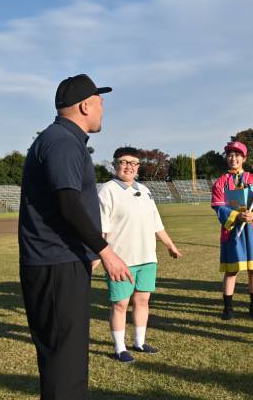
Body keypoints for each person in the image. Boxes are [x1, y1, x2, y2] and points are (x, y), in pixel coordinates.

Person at [19, 74, 132, 399]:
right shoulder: (62, 142)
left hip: (60, 262)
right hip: (56, 264)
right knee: (64, 362)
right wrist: (105, 250)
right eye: (100, 102)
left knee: (63, 357)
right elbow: (68, 204)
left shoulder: (61, 140)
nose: (102, 109)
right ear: (85, 105)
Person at [97, 147, 182, 363]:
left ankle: (139, 342)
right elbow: (101, 229)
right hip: (121, 260)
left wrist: (170, 245)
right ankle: (119, 348)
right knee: (121, 304)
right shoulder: (107, 191)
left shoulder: (144, 190)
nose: (129, 166)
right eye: (124, 162)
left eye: (133, 163)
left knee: (143, 300)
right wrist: (98, 257)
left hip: (147, 258)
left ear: (138, 167)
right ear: (115, 164)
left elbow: (156, 223)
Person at [211, 141, 253, 320]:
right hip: (233, 232)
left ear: (244, 158)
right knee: (231, 271)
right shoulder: (220, 183)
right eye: (230, 154)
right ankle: (228, 308)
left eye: (237, 155)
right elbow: (219, 207)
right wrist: (237, 216)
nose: (233, 158)